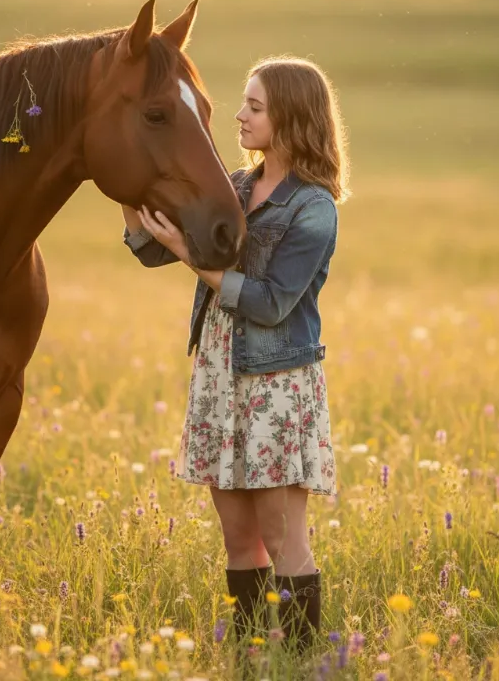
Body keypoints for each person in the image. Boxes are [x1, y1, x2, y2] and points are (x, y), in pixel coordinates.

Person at [122, 56, 350, 652]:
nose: (239, 116)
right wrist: (126, 187)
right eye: (243, 103)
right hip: (220, 374)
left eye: (254, 106)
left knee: (281, 538)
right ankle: (252, 659)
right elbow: (153, 250)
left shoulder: (313, 208)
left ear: (291, 117)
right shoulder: (236, 187)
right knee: (238, 538)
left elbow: (272, 304)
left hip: (276, 381)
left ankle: (300, 662)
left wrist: (195, 260)